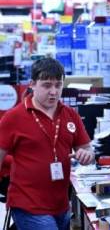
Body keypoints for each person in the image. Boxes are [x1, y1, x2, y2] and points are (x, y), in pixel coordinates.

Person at [0, 58, 94, 230]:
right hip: (27, 204)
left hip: (61, 205)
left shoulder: (70, 114)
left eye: (58, 85)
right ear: (32, 84)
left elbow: (87, 149)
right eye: (47, 85)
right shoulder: (13, 118)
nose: (53, 91)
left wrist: (87, 155)